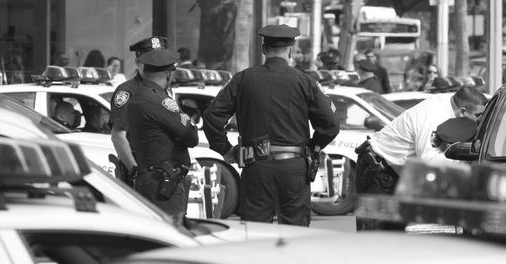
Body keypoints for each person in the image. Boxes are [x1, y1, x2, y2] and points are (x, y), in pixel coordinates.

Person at [202, 24, 340, 226]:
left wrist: (225, 149)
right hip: (294, 167)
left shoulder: (243, 79)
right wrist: (312, 146)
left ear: (264, 50)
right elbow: (330, 125)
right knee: (295, 234)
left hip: (256, 166)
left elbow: (212, 118)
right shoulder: (305, 81)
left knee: (256, 234)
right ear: (290, 50)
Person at [354, 86, 487, 230]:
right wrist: (466, 158)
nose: (480, 120)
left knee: (392, 238)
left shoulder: (451, 105)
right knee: (374, 237)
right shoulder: (434, 116)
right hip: (379, 172)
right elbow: (429, 161)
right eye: (478, 115)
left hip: (394, 173)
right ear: (462, 112)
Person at [125, 48, 198, 222]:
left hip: (148, 178)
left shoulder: (137, 98)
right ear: (168, 74)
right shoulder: (160, 101)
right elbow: (191, 137)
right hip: (164, 185)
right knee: (173, 233)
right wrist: (186, 118)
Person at [109, 36, 168, 187]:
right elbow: (118, 136)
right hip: (139, 168)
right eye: (150, 61)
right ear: (137, 63)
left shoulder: (163, 88)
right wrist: (135, 172)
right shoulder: (127, 92)